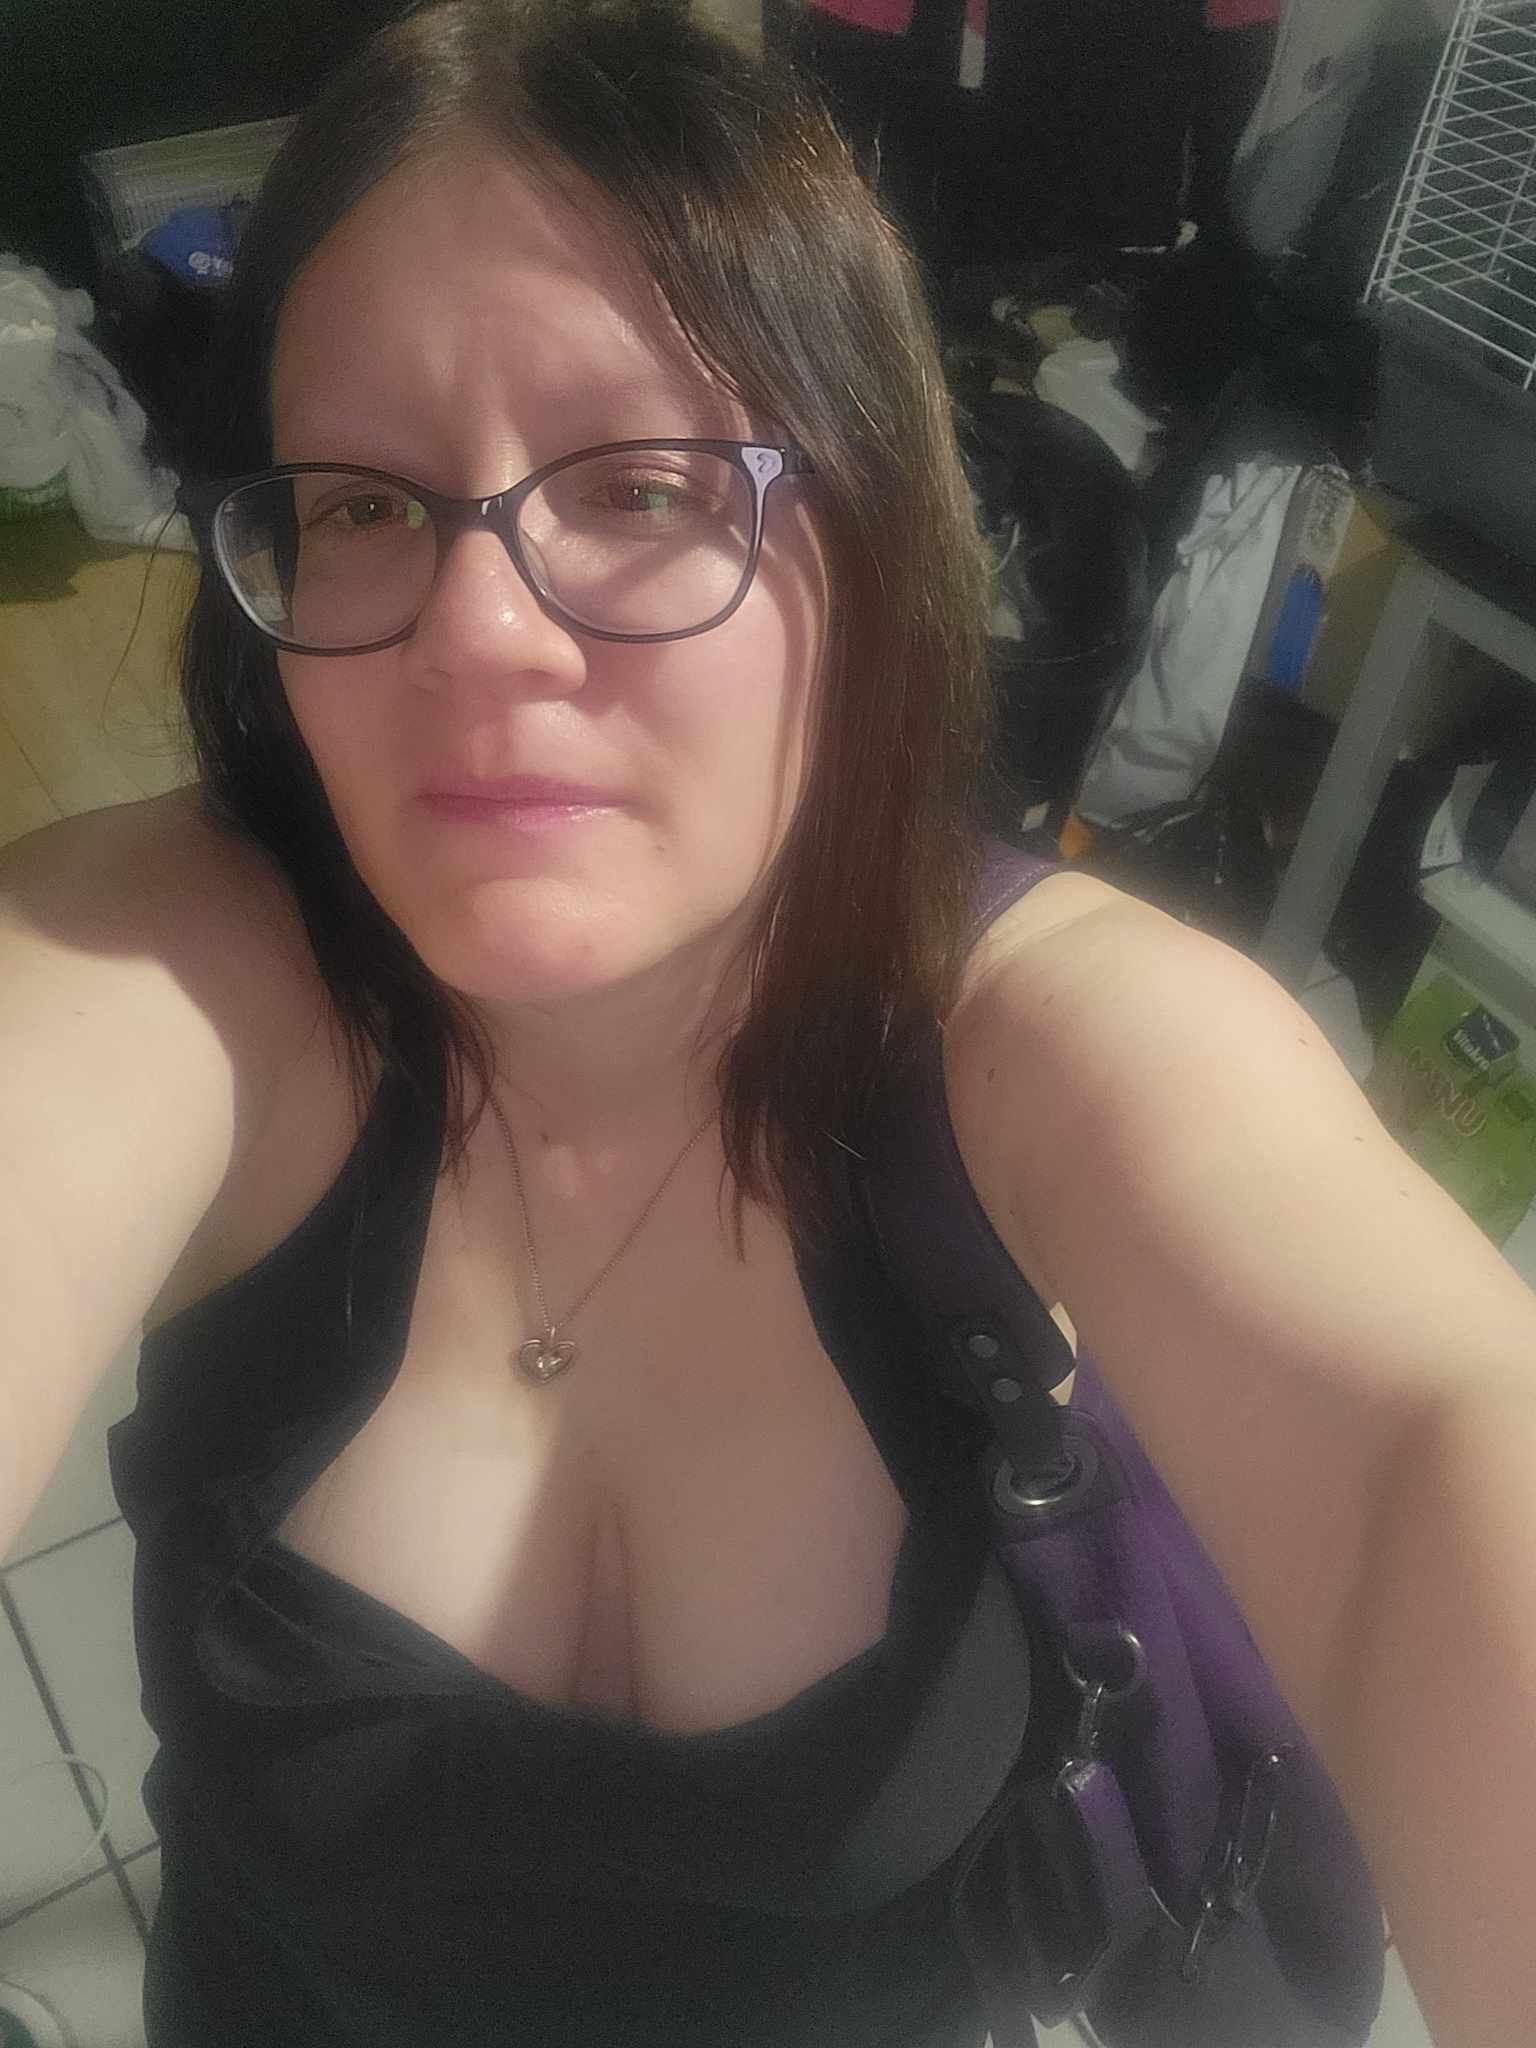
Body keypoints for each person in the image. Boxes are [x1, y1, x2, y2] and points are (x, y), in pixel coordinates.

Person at [1, 3, 1533, 2043]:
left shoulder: (1050, 1039)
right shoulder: (186, 969)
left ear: (870, 536)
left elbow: (1434, 1443)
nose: (477, 632)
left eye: (641, 483)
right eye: (361, 504)